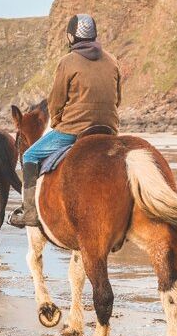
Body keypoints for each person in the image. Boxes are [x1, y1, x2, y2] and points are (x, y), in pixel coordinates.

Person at [9, 14, 121, 227]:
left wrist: (58, 122)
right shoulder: (112, 60)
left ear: (71, 37)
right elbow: (118, 98)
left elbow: (56, 101)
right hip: (109, 129)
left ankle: (30, 213)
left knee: (31, 154)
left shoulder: (67, 62)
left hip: (74, 130)